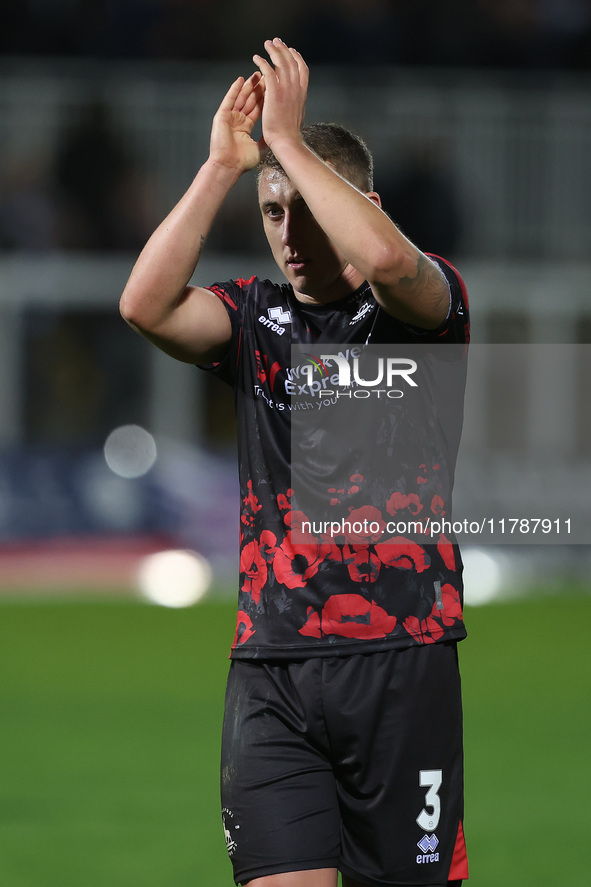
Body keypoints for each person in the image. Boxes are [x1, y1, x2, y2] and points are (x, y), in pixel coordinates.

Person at [120, 38, 470, 887]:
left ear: (361, 205)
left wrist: (292, 144)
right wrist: (220, 168)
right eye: (273, 214)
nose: (290, 235)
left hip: (399, 660)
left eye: (307, 210)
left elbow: (385, 261)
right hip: (271, 668)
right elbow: (145, 304)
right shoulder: (254, 319)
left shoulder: (425, 310)